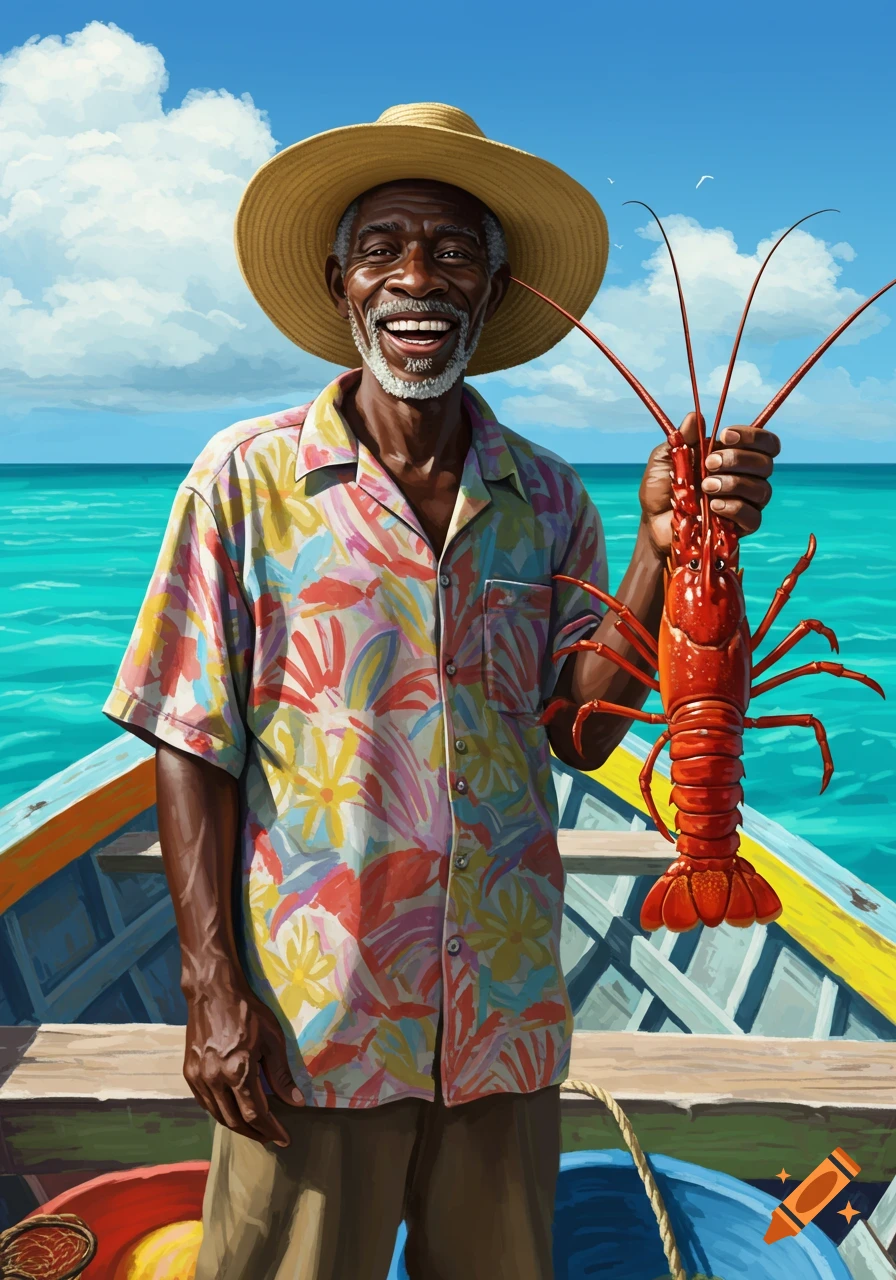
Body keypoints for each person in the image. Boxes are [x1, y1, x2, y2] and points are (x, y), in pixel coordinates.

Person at [103, 102, 779, 1280]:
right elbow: (188, 738)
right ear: (340, 281)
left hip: (502, 1024)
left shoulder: (549, 493)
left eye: (454, 251)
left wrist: (661, 550)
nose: (417, 277)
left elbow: (579, 729)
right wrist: (212, 990)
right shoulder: (241, 477)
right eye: (384, 248)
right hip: (311, 1026)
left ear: (494, 290)